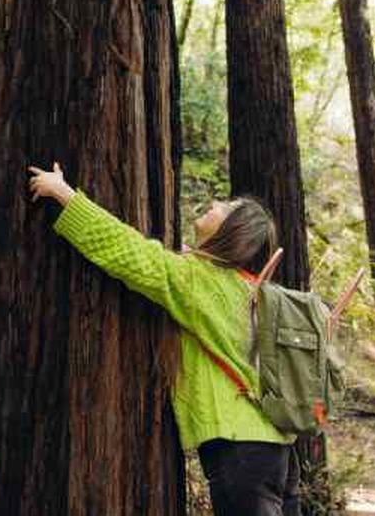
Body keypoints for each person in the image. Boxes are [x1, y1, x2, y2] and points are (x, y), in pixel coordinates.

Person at [28, 162, 301, 516]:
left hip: (241, 449)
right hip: (279, 451)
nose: (216, 203)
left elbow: (125, 250)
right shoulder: (253, 291)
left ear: (234, 233)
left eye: (226, 208)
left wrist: (63, 194)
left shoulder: (199, 280)